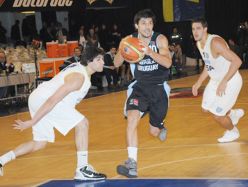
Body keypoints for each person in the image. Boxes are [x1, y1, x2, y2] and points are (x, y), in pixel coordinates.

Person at [0, 46, 107, 181]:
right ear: (89, 61)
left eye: (102, 59)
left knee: (40, 143)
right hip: (45, 100)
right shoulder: (78, 78)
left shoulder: (81, 70)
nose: (103, 62)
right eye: (99, 59)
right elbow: (53, 100)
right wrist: (32, 122)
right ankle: (82, 168)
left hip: (38, 98)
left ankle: (1, 160)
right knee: (82, 123)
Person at [114, 9, 172, 178]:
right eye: (143, 23)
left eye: (150, 23)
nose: (147, 27)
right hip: (139, 88)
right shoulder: (130, 40)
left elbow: (168, 63)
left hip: (159, 88)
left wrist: (149, 52)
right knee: (132, 119)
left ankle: (159, 126)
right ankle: (132, 164)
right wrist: (123, 49)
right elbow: (117, 63)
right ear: (136, 25)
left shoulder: (159, 39)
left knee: (153, 132)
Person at [191, 18, 244, 143]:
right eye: (193, 29)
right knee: (205, 108)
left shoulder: (215, 42)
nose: (195, 32)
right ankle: (232, 114)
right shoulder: (199, 43)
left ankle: (233, 132)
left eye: (198, 28)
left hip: (230, 80)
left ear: (205, 29)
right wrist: (198, 82)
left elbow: (237, 61)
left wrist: (224, 81)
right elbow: (208, 65)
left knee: (217, 115)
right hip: (216, 80)